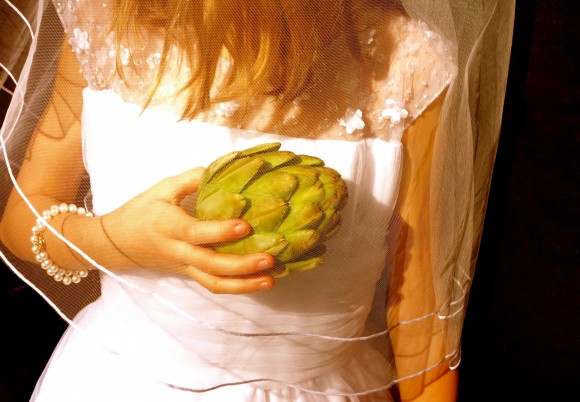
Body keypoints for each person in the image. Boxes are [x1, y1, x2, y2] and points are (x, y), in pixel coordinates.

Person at [0, 0, 515, 401]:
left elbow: (420, 307)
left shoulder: (405, 66)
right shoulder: (109, 27)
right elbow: (23, 215)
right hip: (116, 381)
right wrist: (119, 243)